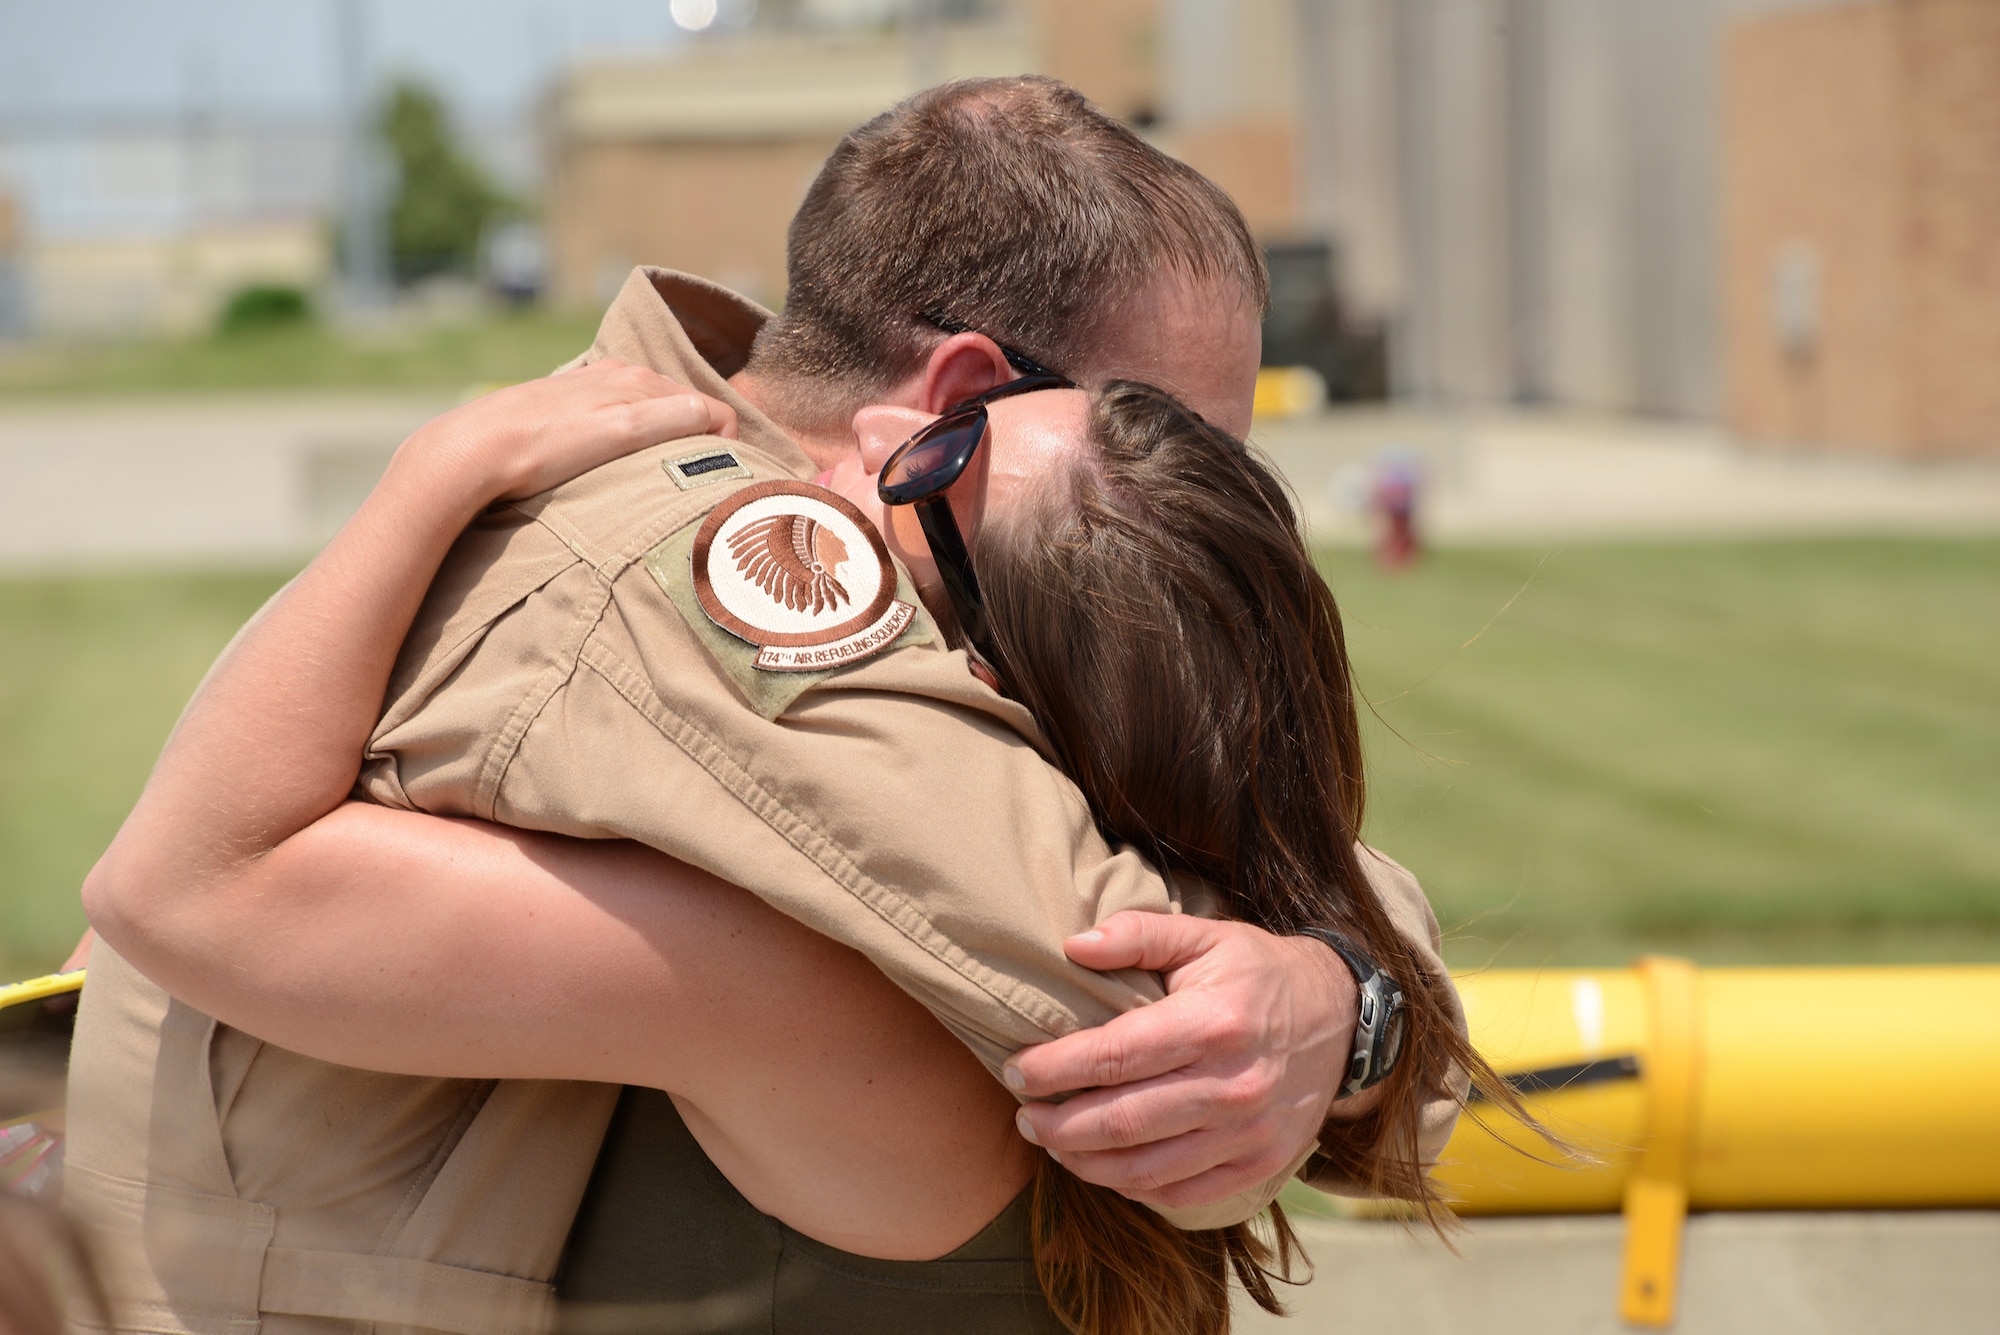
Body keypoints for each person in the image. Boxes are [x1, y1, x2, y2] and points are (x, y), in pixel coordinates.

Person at [73, 76, 1471, 1330]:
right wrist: (1346, 999)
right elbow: (1125, 999)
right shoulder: (722, 561)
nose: (1211, 511)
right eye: (1172, 439)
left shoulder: (682, 450)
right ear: (964, 395)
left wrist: (1335, 990)